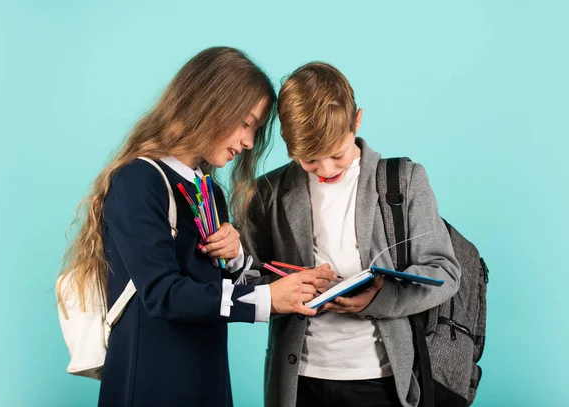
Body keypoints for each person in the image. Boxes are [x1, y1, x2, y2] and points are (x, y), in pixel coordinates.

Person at [57, 47, 333, 407]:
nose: (249, 142)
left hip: (206, 379)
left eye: (256, 129)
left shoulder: (210, 192)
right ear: (209, 104)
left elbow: (214, 294)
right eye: (245, 123)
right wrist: (267, 298)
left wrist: (239, 260)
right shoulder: (140, 180)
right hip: (152, 384)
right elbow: (162, 294)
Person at [241, 62, 461, 407]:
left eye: (337, 154)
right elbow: (245, 278)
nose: (326, 170)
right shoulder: (268, 192)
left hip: (381, 379)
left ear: (356, 121)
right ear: (288, 143)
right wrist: (284, 289)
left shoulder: (403, 180)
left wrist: (380, 298)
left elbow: (444, 272)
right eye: (310, 161)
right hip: (298, 382)